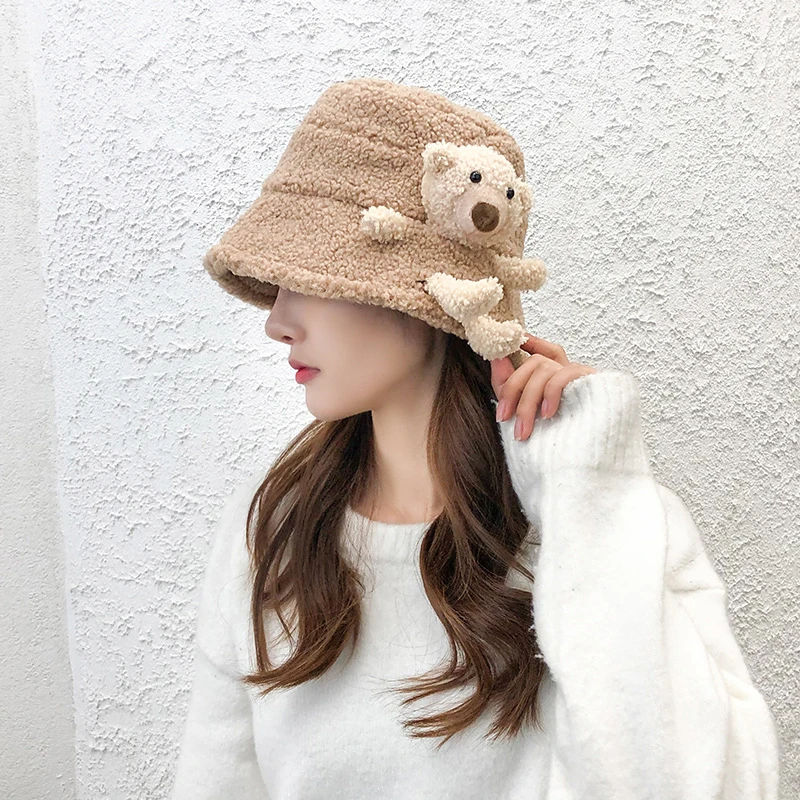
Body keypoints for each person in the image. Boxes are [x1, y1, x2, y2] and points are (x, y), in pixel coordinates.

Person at [170, 77, 781, 798]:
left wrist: (587, 481)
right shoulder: (272, 527)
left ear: (424, 298)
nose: (277, 322)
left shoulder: (596, 522)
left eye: (309, 277)